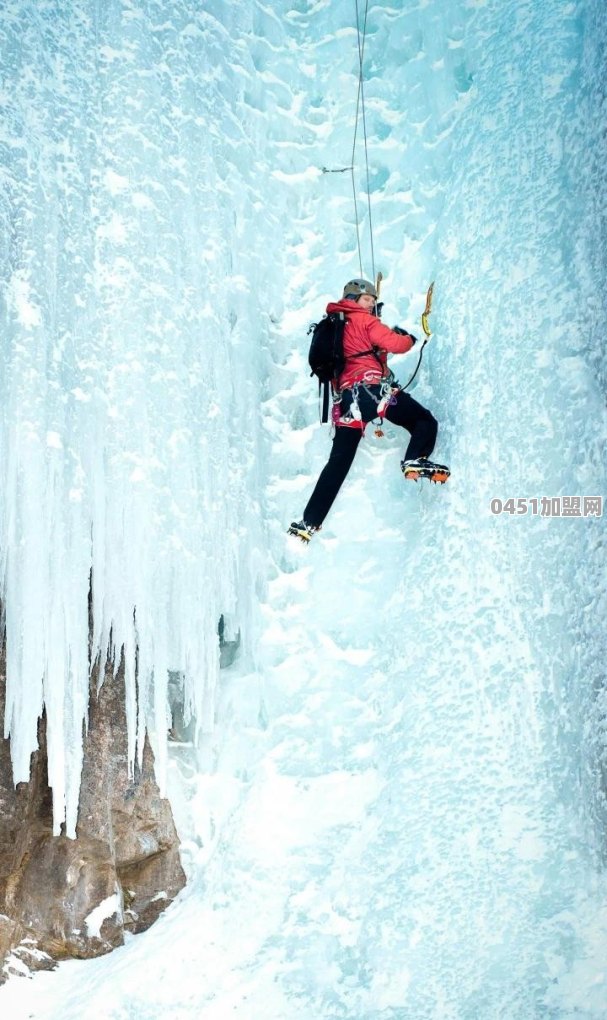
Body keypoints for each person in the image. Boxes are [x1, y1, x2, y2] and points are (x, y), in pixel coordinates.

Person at [289, 278, 449, 542]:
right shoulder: (364, 321)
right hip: (371, 393)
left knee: (338, 464)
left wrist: (378, 351)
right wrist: (407, 337)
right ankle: (415, 458)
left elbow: (368, 357)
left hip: (346, 405)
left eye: (374, 302)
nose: (371, 304)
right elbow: (397, 345)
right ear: (353, 299)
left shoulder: (336, 326)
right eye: (367, 300)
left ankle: (308, 521)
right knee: (423, 421)